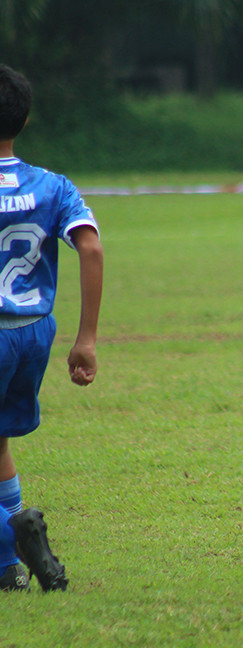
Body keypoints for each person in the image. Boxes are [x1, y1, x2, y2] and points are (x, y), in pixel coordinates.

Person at [0, 64, 104, 592]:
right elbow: (91, 248)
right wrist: (86, 339)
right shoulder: (52, 185)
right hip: (34, 331)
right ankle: (6, 571)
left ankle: (16, 538)